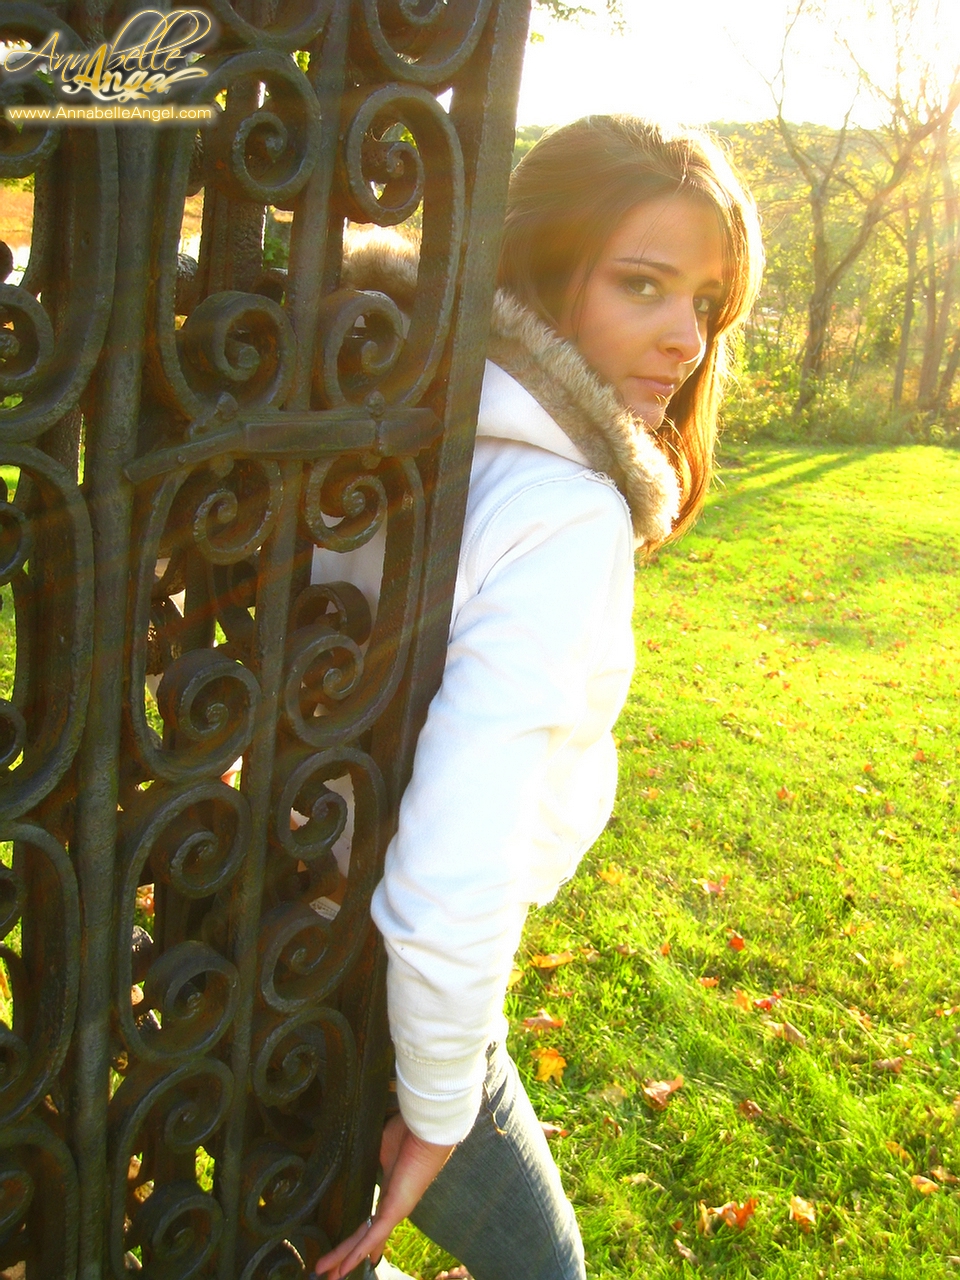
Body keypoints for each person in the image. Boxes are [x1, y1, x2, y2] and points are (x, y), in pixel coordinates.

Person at [314, 115, 763, 1280]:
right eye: (641, 283)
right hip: (390, 981)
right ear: (540, 264)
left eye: (707, 302)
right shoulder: (564, 509)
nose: (685, 338)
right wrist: (439, 1104)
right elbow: (448, 870)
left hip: (272, 921)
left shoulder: (389, 421)